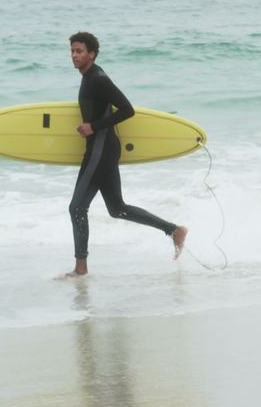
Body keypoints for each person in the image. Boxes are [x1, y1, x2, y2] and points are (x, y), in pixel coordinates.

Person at [66, 31, 187, 277]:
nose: (75, 56)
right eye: (72, 51)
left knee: (77, 208)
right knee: (117, 208)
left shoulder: (97, 78)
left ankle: (81, 269)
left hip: (101, 149)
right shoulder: (88, 77)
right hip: (103, 149)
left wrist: (93, 127)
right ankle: (174, 231)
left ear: (92, 53)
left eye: (79, 51)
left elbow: (127, 109)